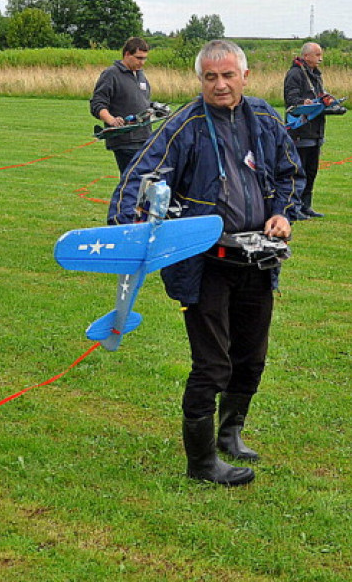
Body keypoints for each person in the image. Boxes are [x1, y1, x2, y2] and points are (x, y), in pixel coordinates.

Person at [108, 39, 303, 486]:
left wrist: (282, 214)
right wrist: (129, 234)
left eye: (228, 75)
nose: (220, 85)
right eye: (210, 77)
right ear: (200, 80)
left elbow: (291, 173)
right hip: (203, 264)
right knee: (212, 365)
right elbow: (139, 178)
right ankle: (201, 464)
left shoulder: (266, 118)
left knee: (251, 357)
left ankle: (229, 436)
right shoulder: (184, 124)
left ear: (245, 76)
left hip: (257, 260)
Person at [90, 37, 153, 174]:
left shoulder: (141, 75)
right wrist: (111, 120)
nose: (142, 62)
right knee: (133, 181)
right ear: (127, 55)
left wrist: (155, 109)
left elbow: (143, 101)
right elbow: (97, 103)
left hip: (145, 137)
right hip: (125, 141)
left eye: (144, 59)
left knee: (144, 181)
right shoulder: (111, 74)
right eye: (139, 58)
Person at [283, 42, 328, 218]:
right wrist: (304, 103)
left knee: (311, 170)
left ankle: (306, 206)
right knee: (298, 171)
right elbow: (291, 100)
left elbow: (319, 96)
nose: (320, 59)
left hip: (315, 131)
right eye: (317, 55)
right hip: (299, 131)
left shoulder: (316, 75)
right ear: (306, 56)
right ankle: (294, 208)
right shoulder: (294, 74)